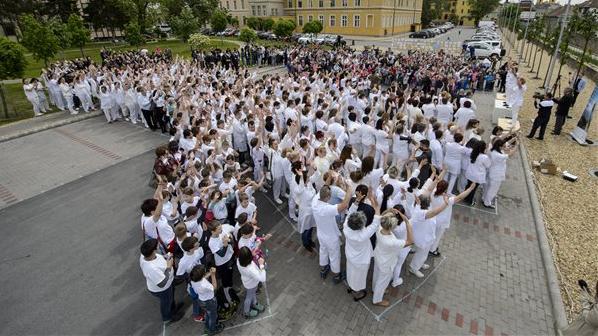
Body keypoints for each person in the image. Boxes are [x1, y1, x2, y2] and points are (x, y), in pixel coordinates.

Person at [343, 191, 381, 301]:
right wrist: (375, 204)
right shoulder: (364, 234)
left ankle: (351, 286)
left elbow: (350, 213)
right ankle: (357, 293)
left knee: (350, 272)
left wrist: (357, 201)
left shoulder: (346, 227)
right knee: (359, 277)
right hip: (361, 260)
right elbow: (376, 221)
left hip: (350, 255)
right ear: (362, 224)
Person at [311, 183, 352, 283]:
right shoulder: (327, 209)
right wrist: (349, 190)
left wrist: (329, 177)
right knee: (334, 256)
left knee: (323, 251)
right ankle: (337, 276)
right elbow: (344, 205)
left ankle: (323, 269)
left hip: (321, 234)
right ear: (328, 197)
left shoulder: (314, 202)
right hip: (331, 237)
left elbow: (324, 185)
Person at [372, 210, 413, 306]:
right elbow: (410, 241)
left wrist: (389, 210)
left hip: (378, 256)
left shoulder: (379, 228)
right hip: (386, 263)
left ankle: (375, 289)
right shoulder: (392, 242)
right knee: (382, 282)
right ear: (391, 227)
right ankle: (377, 300)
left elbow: (381, 216)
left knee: (376, 275)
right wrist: (407, 222)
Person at [139, 239, 183, 324]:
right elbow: (162, 283)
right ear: (153, 251)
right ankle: (168, 317)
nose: (158, 247)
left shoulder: (145, 255)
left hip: (169, 284)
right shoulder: (152, 268)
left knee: (170, 298)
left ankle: (173, 309)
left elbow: (158, 258)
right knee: (166, 302)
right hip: (162, 290)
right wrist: (169, 267)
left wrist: (165, 257)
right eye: (157, 247)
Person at [189, 265, 224, 335]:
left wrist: (210, 273)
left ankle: (207, 326)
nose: (205, 272)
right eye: (204, 272)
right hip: (210, 301)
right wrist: (213, 275)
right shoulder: (204, 284)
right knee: (213, 316)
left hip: (201, 300)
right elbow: (214, 287)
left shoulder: (193, 280)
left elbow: (202, 278)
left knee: (208, 314)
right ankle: (212, 330)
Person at [237, 246, 267, 318]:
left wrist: (252, 255)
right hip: (251, 284)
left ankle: (254, 303)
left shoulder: (239, 260)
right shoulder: (250, 269)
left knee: (252, 293)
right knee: (249, 297)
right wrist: (261, 265)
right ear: (248, 258)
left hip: (247, 281)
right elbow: (263, 278)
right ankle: (246, 312)